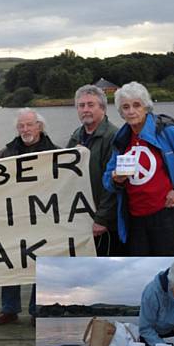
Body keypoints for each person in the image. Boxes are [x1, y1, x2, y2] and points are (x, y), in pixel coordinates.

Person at [103, 81, 174, 255]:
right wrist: (115, 180)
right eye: (125, 107)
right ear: (121, 113)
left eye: (136, 105)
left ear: (146, 107)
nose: (131, 111)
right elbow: (107, 178)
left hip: (167, 216)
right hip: (134, 219)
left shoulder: (166, 131)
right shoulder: (121, 139)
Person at [0, 108, 57, 326]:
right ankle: (9, 309)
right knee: (11, 261)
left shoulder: (56, 153)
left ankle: (35, 310)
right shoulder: (5, 154)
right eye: (21, 126)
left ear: (40, 126)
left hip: (44, 217)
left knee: (43, 262)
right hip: (14, 218)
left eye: (29, 125)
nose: (25, 129)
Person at [67, 85, 124, 256]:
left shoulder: (114, 136)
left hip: (106, 225)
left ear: (103, 108)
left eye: (91, 105)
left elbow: (115, 184)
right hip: (83, 218)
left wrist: (102, 219)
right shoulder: (76, 135)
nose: (85, 110)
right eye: (81, 105)